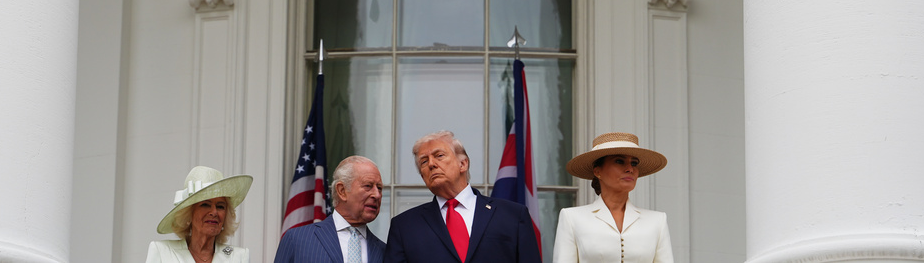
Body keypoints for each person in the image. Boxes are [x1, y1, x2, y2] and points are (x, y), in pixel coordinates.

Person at [385, 130, 541, 263]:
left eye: (439, 155)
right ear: (422, 175)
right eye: (424, 162)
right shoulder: (404, 227)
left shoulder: (512, 215)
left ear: (463, 164)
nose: (431, 164)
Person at [553, 132, 673, 263]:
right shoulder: (572, 218)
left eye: (634, 163)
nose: (630, 169)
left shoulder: (657, 221)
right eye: (619, 161)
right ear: (597, 171)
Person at [274, 155, 386, 263]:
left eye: (379, 188)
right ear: (342, 191)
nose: (377, 195)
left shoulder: (384, 251)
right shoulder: (297, 239)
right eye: (368, 186)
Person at [146, 165, 253, 263]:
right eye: (205, 204)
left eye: (220, 206)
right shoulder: (162, 252)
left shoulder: (239, 257)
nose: (214, 212)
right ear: (188, 214)